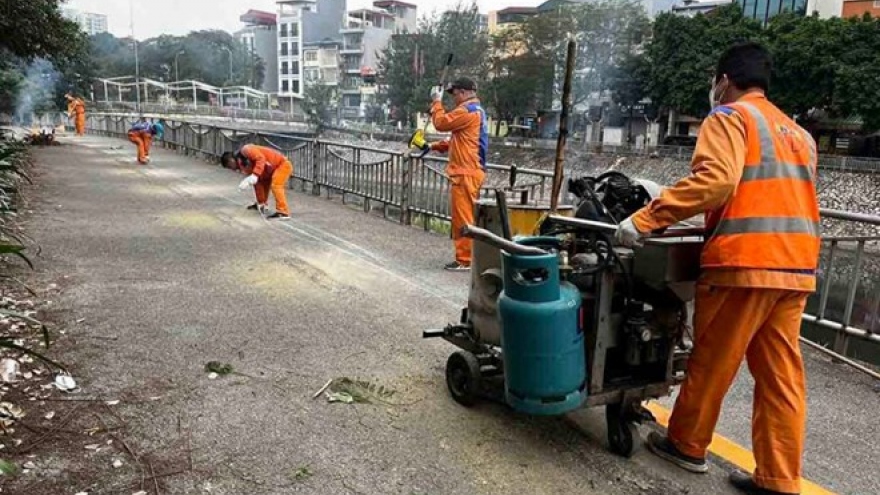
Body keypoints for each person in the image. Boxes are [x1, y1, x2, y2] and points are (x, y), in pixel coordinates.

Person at [615, 42, 819, 495]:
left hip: (744, 263)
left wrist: (645, 218)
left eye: (715, 80)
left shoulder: (730, 118)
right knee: (781, 375)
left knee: (712, 358)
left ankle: (686, 443)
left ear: (724, 81)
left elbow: (716, 180)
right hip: (796, 266)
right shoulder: (798, 133)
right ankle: (780, 478)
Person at [421, 77, 488, 271]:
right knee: (466, 216)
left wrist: (436, 101)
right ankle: (468, 256)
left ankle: (465, 259)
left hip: (466, 172)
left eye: (456, 93)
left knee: (463, 218)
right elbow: (458, 141)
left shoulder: (467, 111)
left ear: (465, 92)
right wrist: (432, 146)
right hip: (469, 171)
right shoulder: (476, 112)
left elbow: (441, 123)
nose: (455, 98)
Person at [220, 144, 293, 220]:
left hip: (282, 165)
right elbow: (257, 183)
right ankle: (262, 203)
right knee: (260, 183)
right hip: (269, 171)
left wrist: (255, 174)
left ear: (231, 160)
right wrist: (260, 202)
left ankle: (283, 212)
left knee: (276, 185)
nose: (232, 169)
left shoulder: (247, 150)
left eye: (229, 166)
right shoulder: (242, 165)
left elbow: (261, 158)